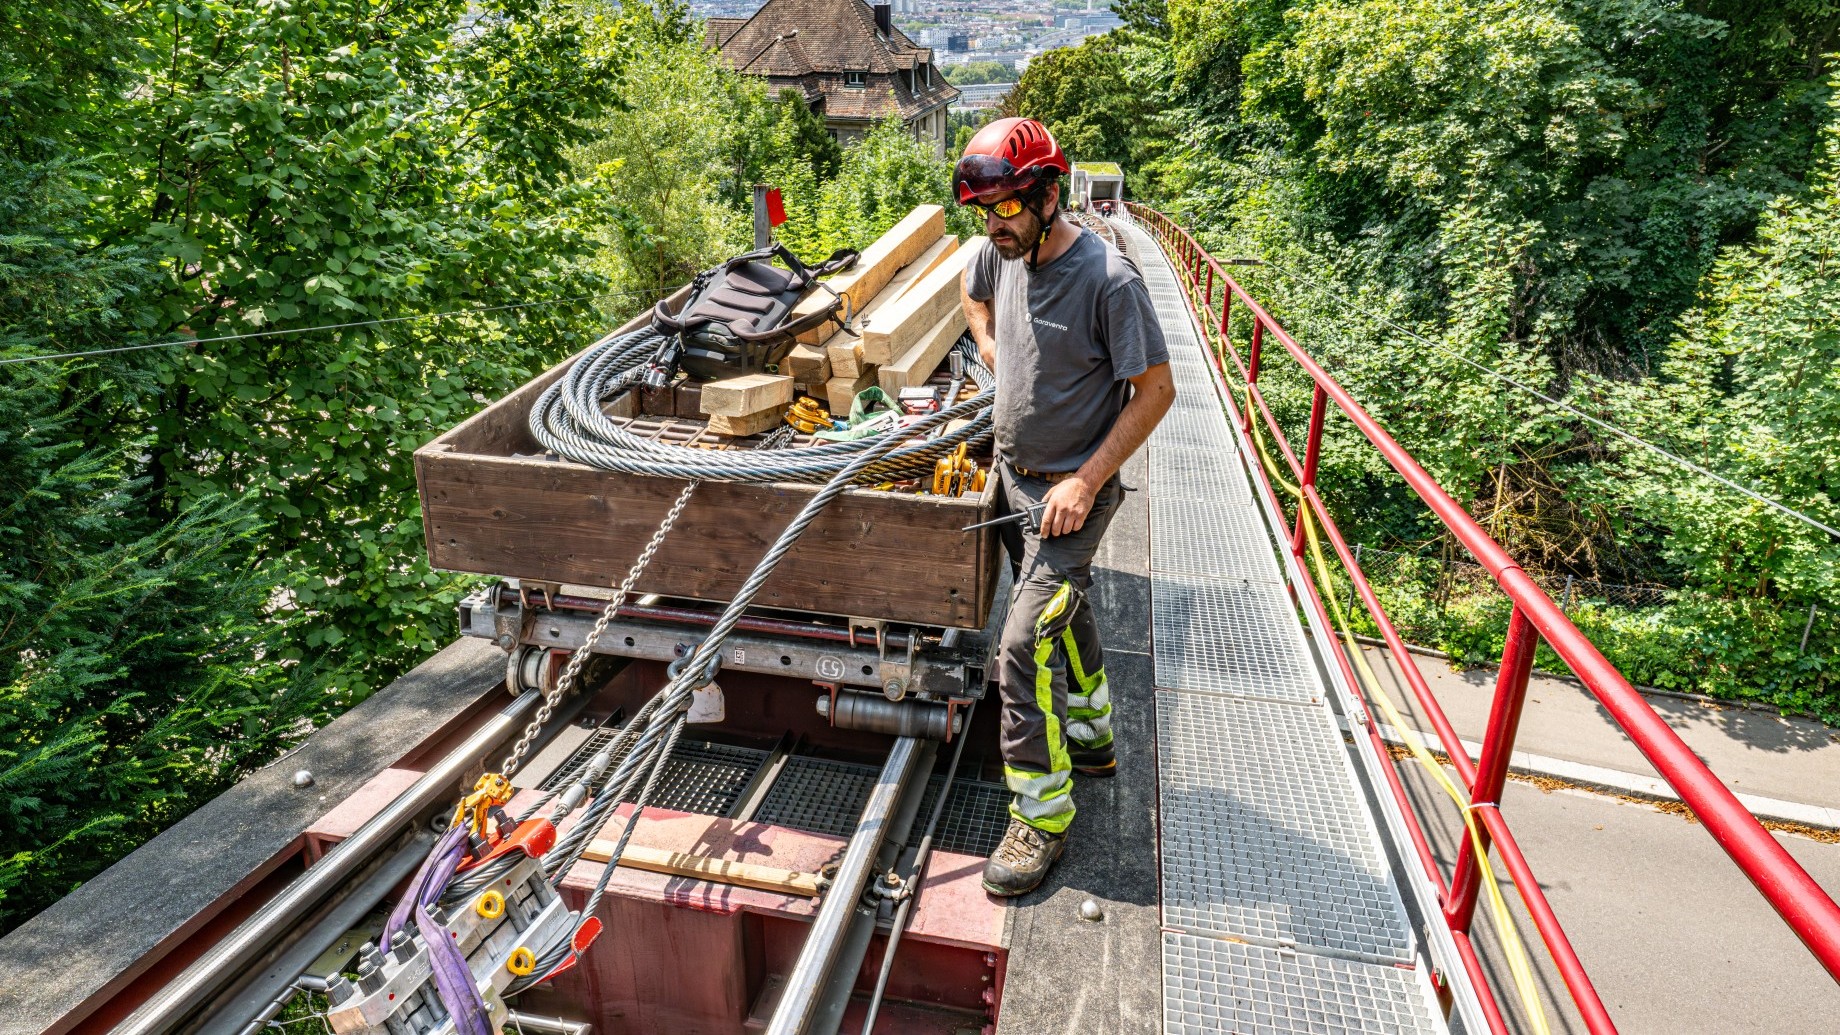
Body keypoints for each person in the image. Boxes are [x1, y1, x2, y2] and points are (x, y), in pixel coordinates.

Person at [954, 117, 1175, 896]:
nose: (994, 226)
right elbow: (970, 287)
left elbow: (1157, 391)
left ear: (1049, 196)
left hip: (1071, 495)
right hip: (1016, 480)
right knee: (1061, 613)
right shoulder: (1002, 250)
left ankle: (1042, 818)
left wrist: (1085, 479)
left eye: (1007, 208)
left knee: (1018, 644)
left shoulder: (1108, 279)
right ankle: (1092, 736)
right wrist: (987, 345)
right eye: (985, 211)